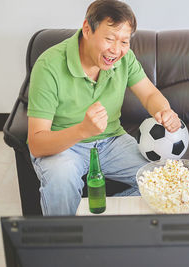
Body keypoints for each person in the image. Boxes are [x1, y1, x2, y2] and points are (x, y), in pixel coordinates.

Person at [27, 0, 181, 216]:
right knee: (61, 181)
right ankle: (65, 245)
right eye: (109, 39)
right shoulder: (49, 66)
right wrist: (82, 130)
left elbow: (149, 94)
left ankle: (99, 222)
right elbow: (36, 143)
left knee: (165, 179)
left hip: (112, 141)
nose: (116, 50)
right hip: (63, 146)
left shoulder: (124, 59)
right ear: (87, 30)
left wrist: (164, 110)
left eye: (124, 41)